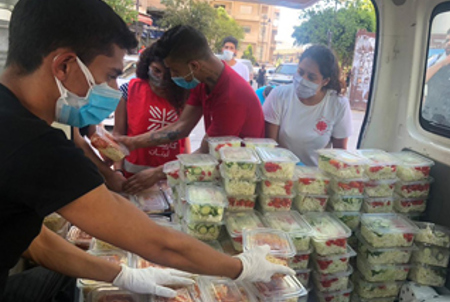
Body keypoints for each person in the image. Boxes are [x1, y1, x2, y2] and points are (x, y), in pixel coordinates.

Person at [0, 1, 293, 301]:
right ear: (64, 65)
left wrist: (122, 274)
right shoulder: (37, 148)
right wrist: (240, 266)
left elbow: (33, 239)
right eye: (111, 75)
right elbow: (159, 245)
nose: (114, 88)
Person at [117, 25, 264, 153]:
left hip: (241, 175)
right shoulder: (201, 81)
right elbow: (182, 126)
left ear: (194, 66)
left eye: (174, 70)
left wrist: (157, 174)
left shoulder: (233, 97)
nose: (172, 76)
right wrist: (133, 143)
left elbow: (206, 152)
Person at [114, 44, 190, 194]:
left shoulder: (185, 97)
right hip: (132, 181)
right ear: (146, 65)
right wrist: (117, 172)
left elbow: (183, 137)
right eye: (156, 70)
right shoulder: (128, 91)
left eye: (167, 73)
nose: (161, 79)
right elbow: (118, 135)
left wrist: (186, 172)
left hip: (170, 180)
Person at [263, 45, 353, 166]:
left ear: (325, 81)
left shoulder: (338, 104)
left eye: (311, 77)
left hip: (316, 177)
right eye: (300, 72)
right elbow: (270, 145)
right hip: (282, 170)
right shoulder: (279, 96)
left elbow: (339, 153)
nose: (302, 79)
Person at [422, 27, 450, 126]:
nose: (449, 43)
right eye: (447, 40)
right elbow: (420, 81)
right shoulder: (435, 59)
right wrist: (443, 62)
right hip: (429, 119)